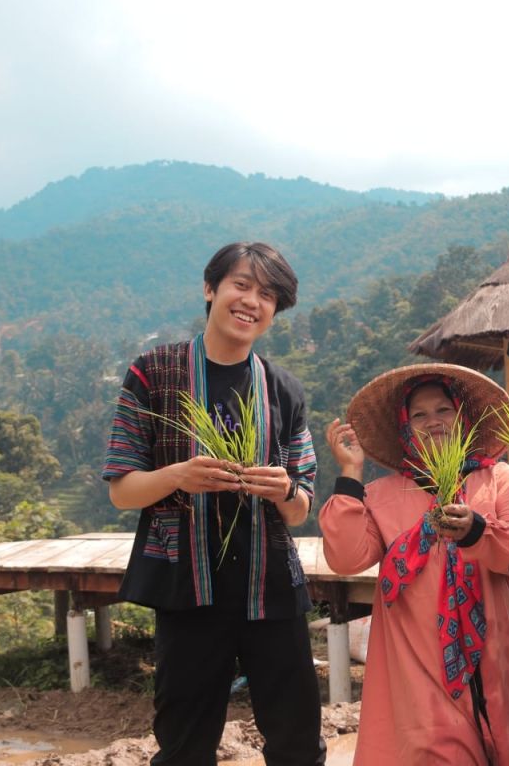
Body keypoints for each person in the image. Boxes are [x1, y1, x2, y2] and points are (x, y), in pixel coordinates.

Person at [102, 242, 324, 766]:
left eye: (267, 295)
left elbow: (302, 506)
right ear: (211, 289)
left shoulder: (283, 389)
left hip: (270, 589)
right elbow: (120, 490)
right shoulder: (153, 374)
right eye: (241, 285)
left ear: (276, 310)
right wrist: (179, 475)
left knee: (297, 743)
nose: (251, 302)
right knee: (184, 746)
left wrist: (285, 491)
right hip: (188, 589)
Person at [320, 363, 509, 766]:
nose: (432, 421)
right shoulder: (381, 495)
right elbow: (346, 557)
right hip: (420, 671)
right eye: (419, 414)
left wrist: (477, 532)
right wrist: (350, 475)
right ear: (404, 426)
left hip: (501, 662)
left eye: (443, 410)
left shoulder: (499, 480)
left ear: (462, 416)